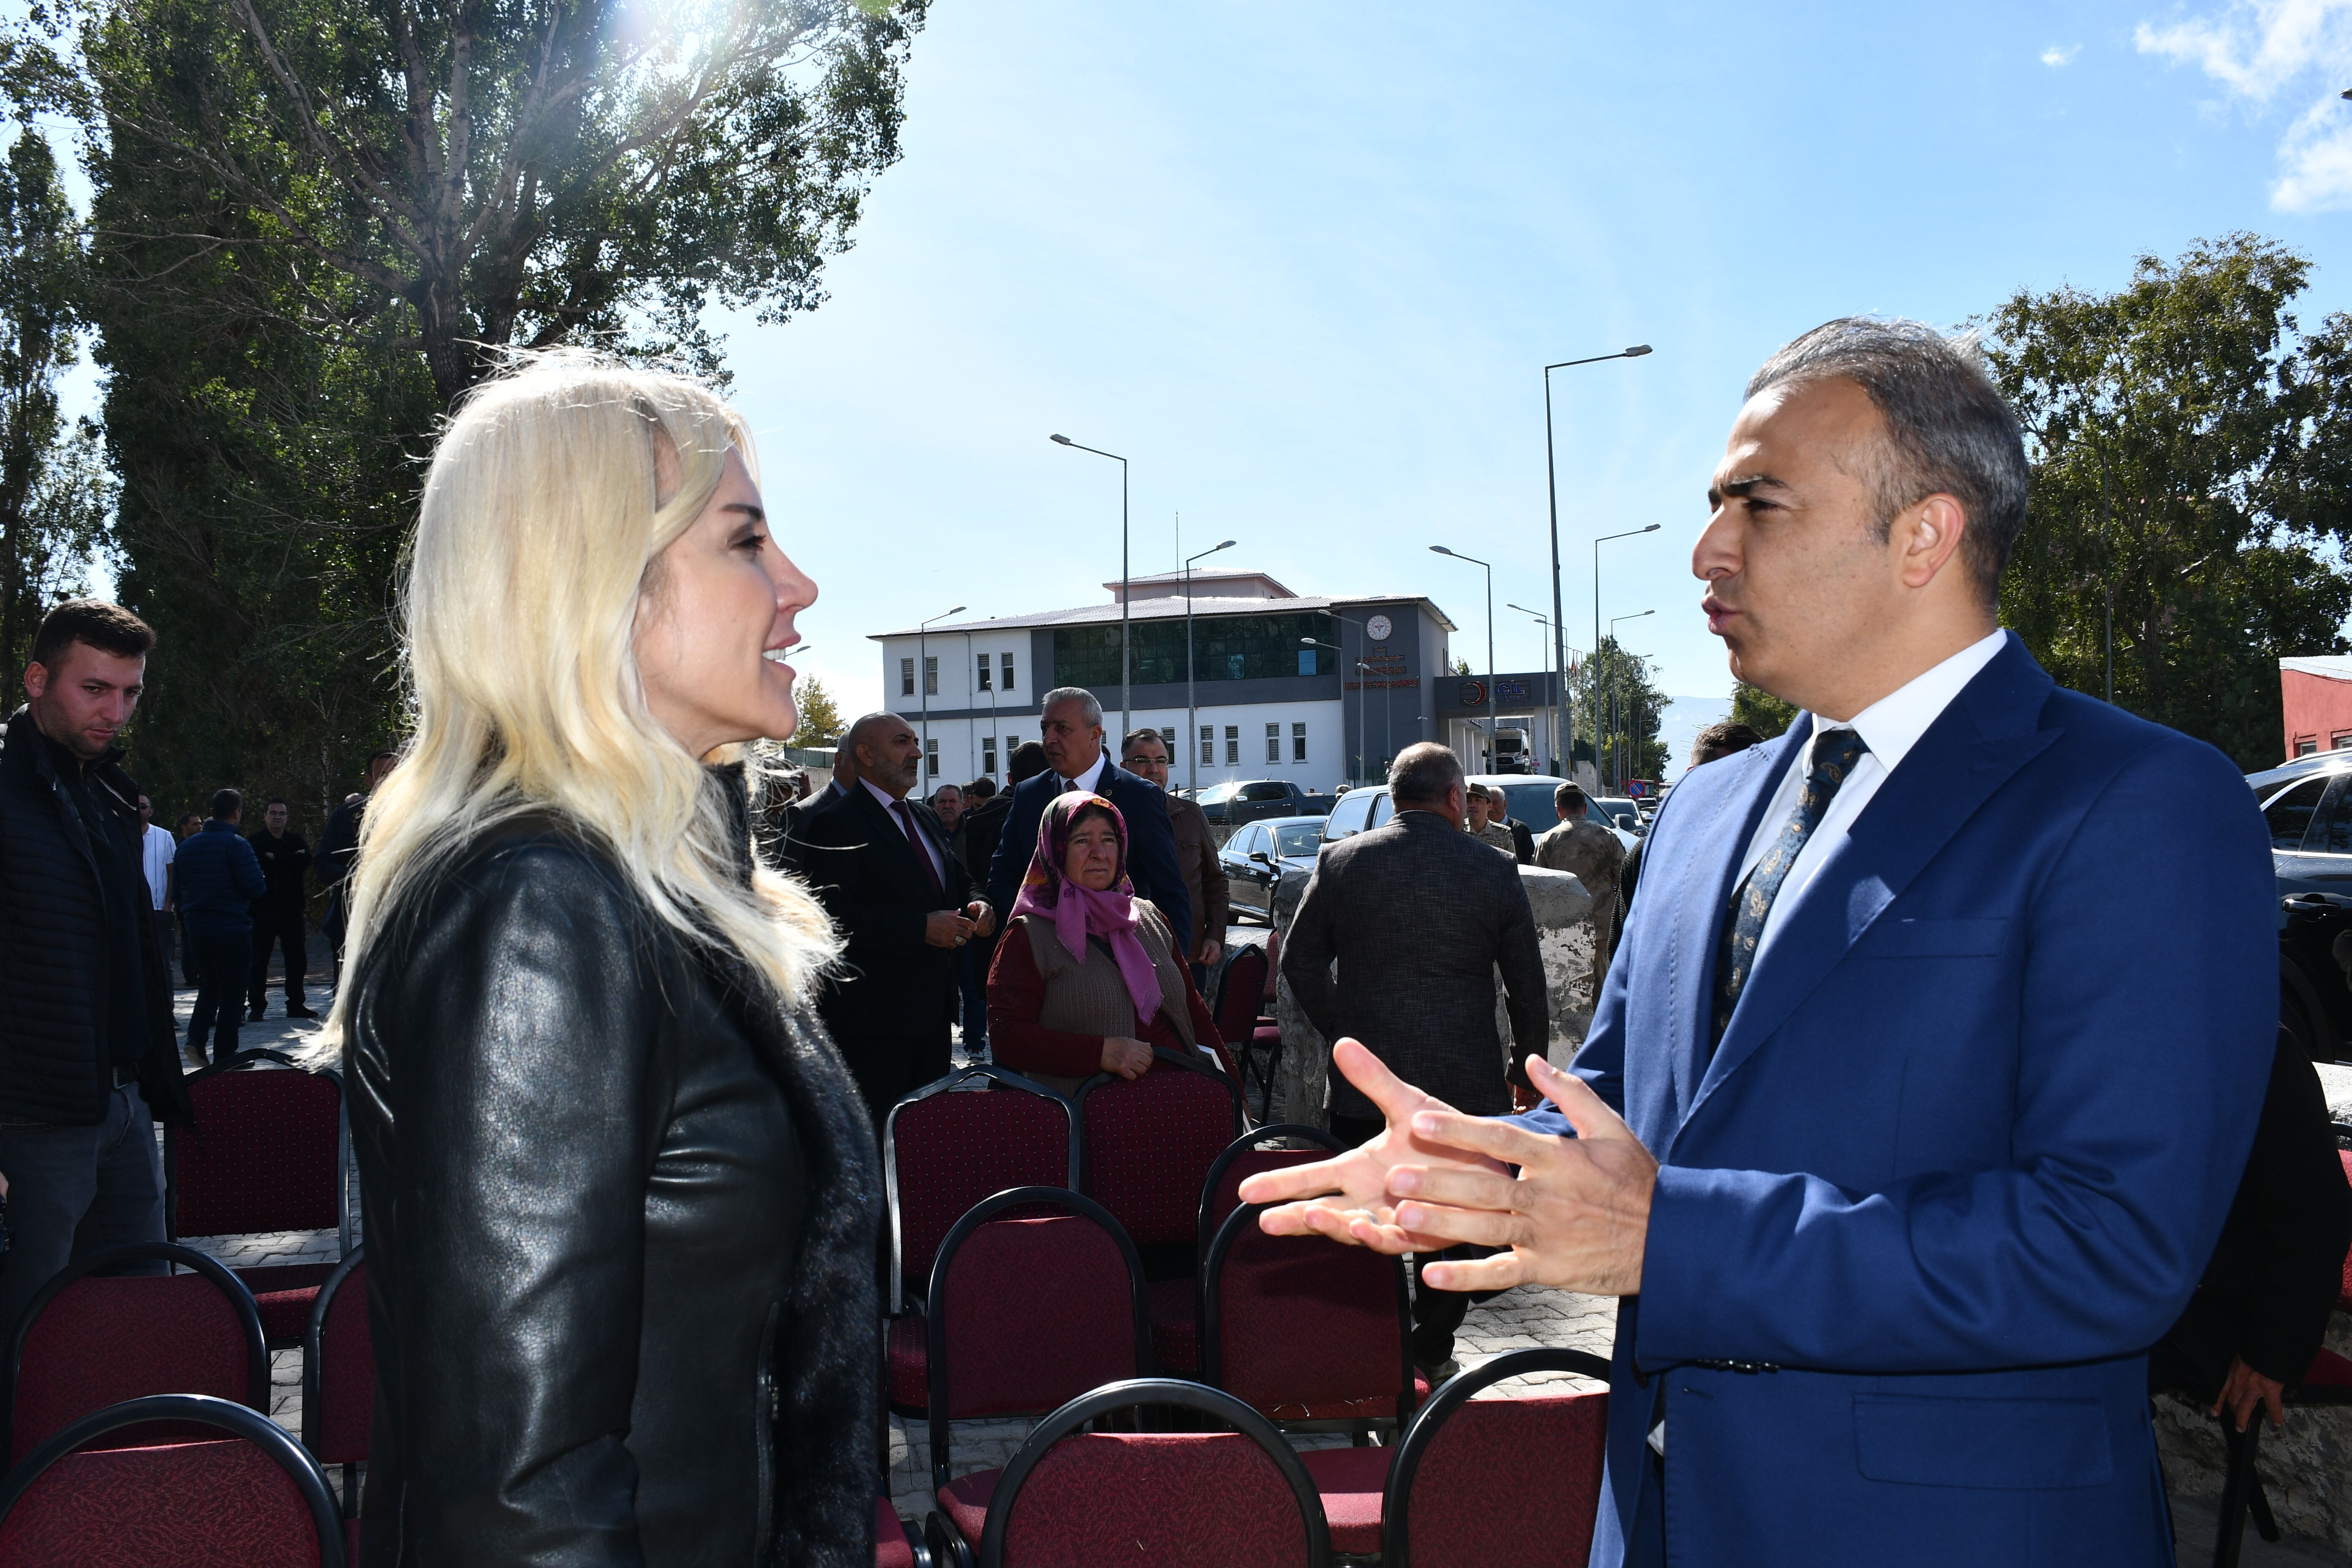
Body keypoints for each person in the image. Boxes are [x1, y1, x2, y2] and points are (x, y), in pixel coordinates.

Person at [1241, 318, 2276, 1568]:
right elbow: (1626, 1107)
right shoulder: (1703, 808)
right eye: (1710, 503)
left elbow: (2107, 1244)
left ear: (1920, 535)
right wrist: (1468, 1164)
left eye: (1758, 505)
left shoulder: (2135, 801)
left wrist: (1674, 1240)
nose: (1705, 549)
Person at [320, 353, 878, 1566]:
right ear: (597, 585)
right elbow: (521, 1500)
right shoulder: (541, 914)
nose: (799, 586)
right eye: (745, 543)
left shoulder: (645, 895)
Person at [1279, 740, 1546, 1372]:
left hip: (1363, 1088)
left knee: (1367, 1219)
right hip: (1463, 1086)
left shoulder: (1342, 861)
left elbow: (1299, 960)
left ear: (1393, 798)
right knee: (1449, 1223)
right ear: (1456, 798)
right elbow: (1527, 985)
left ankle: (1375, 1347)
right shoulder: (1493, 869)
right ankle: (1432, 1343)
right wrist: (1525, 1066)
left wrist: (1344, 1031)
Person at [0, 599, 192, 1339]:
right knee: (31, 1341)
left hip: (122, 1108)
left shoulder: (108, 791)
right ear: (39, 678)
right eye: (95, 688)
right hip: (31, 1123)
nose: (116, 710)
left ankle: (142, 1461)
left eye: (131, 691)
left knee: (132, 1335)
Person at [796, 711, 994, 1133]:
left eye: (916, 742)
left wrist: (980, 905)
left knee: (927, 1145)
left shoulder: (921, 816)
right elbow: (832, 920)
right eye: (902, 742)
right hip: (875, 1029)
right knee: (884, 1147)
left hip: (932, 1021)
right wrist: (920, 928)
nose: (917, 753)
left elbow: (959, 881)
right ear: (865, 754)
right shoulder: (835, 823)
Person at [2149, 1029, 2352, 1436]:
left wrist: (2270, 1356)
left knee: (2069, 1383)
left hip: (2211, 1313)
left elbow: (2316, 1217)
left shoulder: (2255, 1047)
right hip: (2125, 1290)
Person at [986, 791, 1229, 1094]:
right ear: (1055, 850)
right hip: (1086, 1127)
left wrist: (1235, 1092)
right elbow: (1008, 1038)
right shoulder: (1028, 935)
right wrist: (1100, 1053)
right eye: (1082, 841)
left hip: (1176, 1112)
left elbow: (1194, 1013)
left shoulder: (1149, 917)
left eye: (1109, 840)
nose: (1100, 853)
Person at [986, 689, 1189, 953]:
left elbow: (1170, 891)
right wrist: (1033, 929)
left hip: (1122, 961)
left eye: (1062, 729)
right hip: (1044, 959)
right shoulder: (1028, 794)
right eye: (1045, 728)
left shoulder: (1139, 796)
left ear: (1095, 734)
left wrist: (1173, 969)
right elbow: (1002, 878)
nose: (1049, 739)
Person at [1118, 728, 1229, 987]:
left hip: (1186, 954)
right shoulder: (1110, 816)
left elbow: (1215, 881)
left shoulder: (1191, 815)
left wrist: (1215, 934)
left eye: (1161, 761)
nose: (1153, 769)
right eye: (1142, 761)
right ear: (1123, 767)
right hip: (1129, 951)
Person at [1623, 721, 1764, 915]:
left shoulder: (1772, 855)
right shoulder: (1649, 856)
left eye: (1753, 778)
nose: (1740, 790)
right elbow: (1622, 941)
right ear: (1693, 776)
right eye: (1727, 777)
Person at [176, 789, 266, 1063]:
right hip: (232, 929)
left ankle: (196, 1039)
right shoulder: (237, 845)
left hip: (198, 929)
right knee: (233, 992)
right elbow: (256, 887)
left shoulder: (187, 847)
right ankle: (226, 1056)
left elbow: (179, 890)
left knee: (210, 986)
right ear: (237, 812)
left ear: (212, 813)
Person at [1533, 782, 1625, 979]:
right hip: (1601, 926)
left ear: (1558, 810)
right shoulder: (1608, 836)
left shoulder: (1547, 840)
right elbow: (1623, 878)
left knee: (1567, 984)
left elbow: (1537, 886)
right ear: (1585, 808)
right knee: (1602, 981)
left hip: (1562, 926)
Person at [317, 748, 395, 980]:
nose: (390, 781)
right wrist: (357, 877)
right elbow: (323, 862)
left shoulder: (425, 815)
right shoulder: (346, 816)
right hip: (352, 920)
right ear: (369, 781)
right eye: (383, 775)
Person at [245, 797, 313, 1021]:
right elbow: (254, 863)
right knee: (258, 960)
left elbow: (305, 861)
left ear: (287, 817)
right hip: (262, 910)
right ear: (265, 816)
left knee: (296, 959)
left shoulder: (295, 840)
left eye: (282, 814)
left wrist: (275, 857)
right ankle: (256, 1005)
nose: (277, 818)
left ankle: (296, 1004)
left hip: (292, 910)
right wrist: (287, 860)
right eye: (273, 813)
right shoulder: (255, 841)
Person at [136, 791, 176, 985]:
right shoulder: (121, 835)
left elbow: (172, 872)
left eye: (143, 806)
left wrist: (169, 904)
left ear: (151, 811)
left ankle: (167, 1007)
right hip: (133, 910)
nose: (139, 810)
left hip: (160, 909)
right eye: (136, 806)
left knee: (163, 962)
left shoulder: (165, 836)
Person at [174, 810, 204, 984]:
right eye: (195, 824)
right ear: (185, 827)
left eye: (201, 823)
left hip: (202, 900)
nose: (200, 827)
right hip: (186, 901)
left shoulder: (203, 845)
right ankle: (191, 976)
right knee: (188, 940)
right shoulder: (177, 848)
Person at [1462, 783, 1516, 856]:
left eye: (1478, 800)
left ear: (1489, 806)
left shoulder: (1503, 833)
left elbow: (1511, 865)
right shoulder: (1457, 830)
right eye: (1468, 801)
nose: (1472, 805)